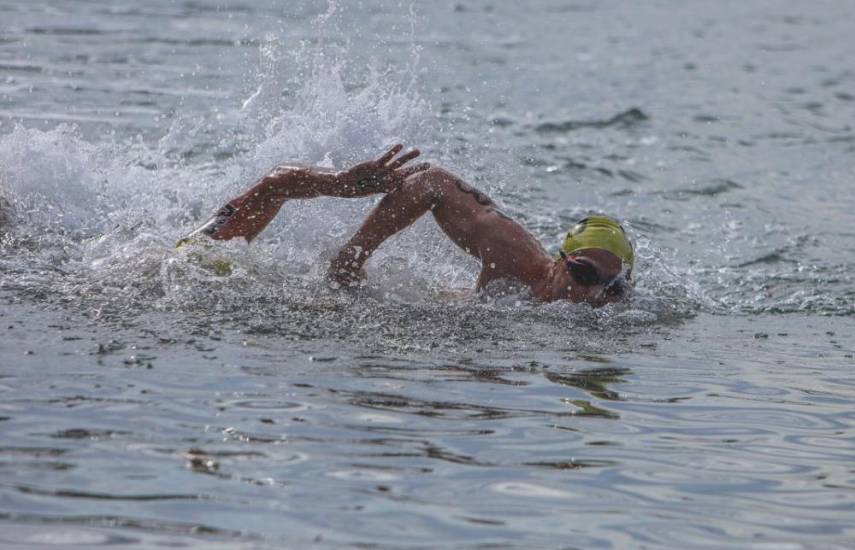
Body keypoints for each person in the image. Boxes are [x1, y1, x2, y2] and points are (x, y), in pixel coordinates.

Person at [178, 145, 634, 306]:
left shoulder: (599, 308)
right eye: (584, 275)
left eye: (611, 288)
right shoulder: (186, 261)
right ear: (561, 260)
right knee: (187, 262)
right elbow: (274, 185)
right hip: (178, 273)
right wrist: (342, 198)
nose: (593, 294)